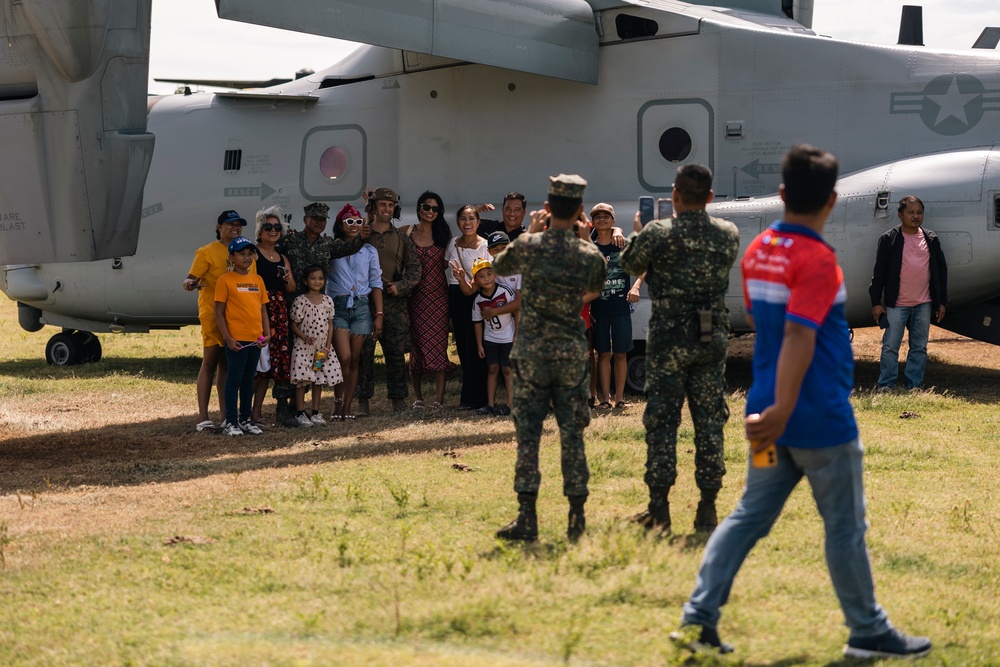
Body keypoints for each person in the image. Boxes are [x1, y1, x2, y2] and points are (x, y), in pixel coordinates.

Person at [672, 144, 932, 659]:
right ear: (833, 200)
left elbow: (766, 331)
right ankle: (868, 631)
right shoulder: (818, 259)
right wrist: (785, 411)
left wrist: (771, 409)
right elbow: (797, 336)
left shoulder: (759, 249)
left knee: (747, 516)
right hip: (813, 416)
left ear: (783, 193)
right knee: (845, 527)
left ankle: (697, 619)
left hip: (766, 408)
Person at [620, 166, 739, 534]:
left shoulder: (658, 233)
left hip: (669, 337)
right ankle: (707, 508)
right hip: (709, 335)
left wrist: (640, 235)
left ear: (674, 195)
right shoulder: (727, 234)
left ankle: (659, 509)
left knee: (662, 419)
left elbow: (629, 264)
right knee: (709, 420)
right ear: (710, 197)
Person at [491, 174, 607, 543]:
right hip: (570, 354)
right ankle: (577, 518)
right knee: (572, 434)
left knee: (528, 436)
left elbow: (499, 266)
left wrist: (531, 232)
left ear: (546, 207)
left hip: (532, 354)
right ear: (578, 210)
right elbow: (598, 281)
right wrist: (585, 237)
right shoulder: (586, 252)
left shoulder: (530, 246)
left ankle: (527, 518)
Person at [276, 201, 370, 426]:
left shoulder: (327, 244)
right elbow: (272, 254)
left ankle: (305, 408)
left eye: (322, 219)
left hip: (316, 311)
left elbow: (348, 248)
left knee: (310, 359)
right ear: (305, 219)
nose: (319, 222)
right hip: (292, 304)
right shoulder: (290, 240)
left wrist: (362, 238)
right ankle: (284, 407)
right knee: (289, 355)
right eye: (314, 218)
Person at [183, 210, 257, 432]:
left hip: (237, 319)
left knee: (227, 365)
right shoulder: (207, 252)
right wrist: (188, 283)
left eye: (238, 224)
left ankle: (226, 416)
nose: (235, 228)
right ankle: (203, 417)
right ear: (219, 227)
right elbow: (191, 278)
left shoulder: (246, 253)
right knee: (210, 361)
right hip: (213, 315)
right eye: (230, 224)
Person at [869, 195, 947, 391]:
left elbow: (940, 272)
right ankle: (886, 384)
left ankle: (914, 385)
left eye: (919, 212)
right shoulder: (889, 239)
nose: (915, 216)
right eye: (910, 212)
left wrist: (941, 302)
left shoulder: (931, 238)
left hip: (924, 303)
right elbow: (878, 274)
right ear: (900, 215)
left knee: (919, 348)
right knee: (890, 346)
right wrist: (876, 302)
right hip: (897, 304)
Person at [357, 187, 422, 415]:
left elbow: (415, 269)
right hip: (365, 302)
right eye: (382, 204)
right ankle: (363, 401)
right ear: (374, 207)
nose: (387, 209)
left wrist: (400, 286)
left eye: (390, 205)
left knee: (395, 354)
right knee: (364, 353)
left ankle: (398, 400)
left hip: (394, 303)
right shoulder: (362, 236)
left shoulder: (402, 238)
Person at [327, 204, 383, 421]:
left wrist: (379, 314)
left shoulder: (369, 251)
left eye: (358, 222)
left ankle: (347, 407)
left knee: (355, 360)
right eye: (349, 221)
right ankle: (337, 402)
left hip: (361, 307)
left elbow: (375, 282)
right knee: (344, 357)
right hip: (339, 306)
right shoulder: (332, 248)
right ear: (340, 225)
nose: (354, 225)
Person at [400, 191, 453, 409]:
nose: (430, 212)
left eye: (435, 208)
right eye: (427, 207)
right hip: (414, 298)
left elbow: (447, 263)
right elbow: (383, 241)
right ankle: (418, 398)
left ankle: (438, 399)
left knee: (439, 346)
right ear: (419, 208)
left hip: (439, 298)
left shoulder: (444, 233)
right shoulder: (406, 232)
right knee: (417, 348)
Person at [213, 236, 270, 437]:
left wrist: (267, 332)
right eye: (241, 254)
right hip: (237, 339)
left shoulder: (257, 280)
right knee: (234, 379)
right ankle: (231, 421)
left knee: (248, 379)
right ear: (231, 257)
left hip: (256, 339)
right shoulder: (225, 280)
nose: (246, 257)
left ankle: (246, 419)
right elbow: (218, 312)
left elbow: (263, 309)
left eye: (249, 253)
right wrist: (228, 338)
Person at [589, 203, 642, 411]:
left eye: (606, 216)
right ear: (593, 221)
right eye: (597, 217)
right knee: (603, 353)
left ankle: (620, 398)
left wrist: (636, 287)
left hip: (620, 306)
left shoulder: (624, 244)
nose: (602, 219)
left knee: (620, 353)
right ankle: (605, 399)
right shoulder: (590, 247)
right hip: (598, 308)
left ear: (614, 220)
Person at [250, 206, 297, 426]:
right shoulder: (253, 253)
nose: (273, 230)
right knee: (255, 366)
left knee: (269, 367)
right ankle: (244, 413)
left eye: (277, 227)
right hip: (259, 310)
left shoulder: (282, 257)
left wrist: (287, 277)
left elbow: (291, 288)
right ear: (259, 230)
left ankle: (257, 414)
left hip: (279, 313)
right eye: (268, 226)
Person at [447, 205, 492, 411]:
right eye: (463, 219)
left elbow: (484, 277)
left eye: (472, 218)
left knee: (479, 346)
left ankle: (481, 396)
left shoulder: (485, 245)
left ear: (478, 222)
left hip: (478, 295)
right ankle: (468, 396)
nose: (468, 223)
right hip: (456, 296)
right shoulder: (452, 243)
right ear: (458, 222)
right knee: (463, 347)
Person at [289, 265, 343, 427]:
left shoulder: (327, 301)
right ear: (306, 281)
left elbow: (330, 325)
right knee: (302, 380)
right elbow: (293, 325)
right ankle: (300, 413)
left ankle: (315, 412)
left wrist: (327, 347)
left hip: (321, 350)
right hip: (304, 349)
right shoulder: (301, 301)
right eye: (313, 278)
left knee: (317, 379)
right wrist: (304, 337)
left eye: (320, 278)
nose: (317, 281)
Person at [471, 258, 516, 416]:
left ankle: (510, 404)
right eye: (481, 276)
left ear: (495, 274)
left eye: (489, 274)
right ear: (476, 280)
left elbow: (516, 312)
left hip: (507, 337)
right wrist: (480, 344)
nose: (487, 278)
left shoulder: (505, 291)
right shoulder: (478, 300)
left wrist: (517, 334)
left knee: (507, 369)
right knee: (492, 369)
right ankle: (490, 404)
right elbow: (477, 323)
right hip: (490, 338)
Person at [479, 231, 521, 327]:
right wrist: (461, 279)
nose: (501, 253)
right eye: (496, 250)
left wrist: (493, 311)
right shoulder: (488, 268)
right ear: (489, 252)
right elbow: (471, 289)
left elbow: (520, 302)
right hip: (501, 320)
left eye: (504, 248)